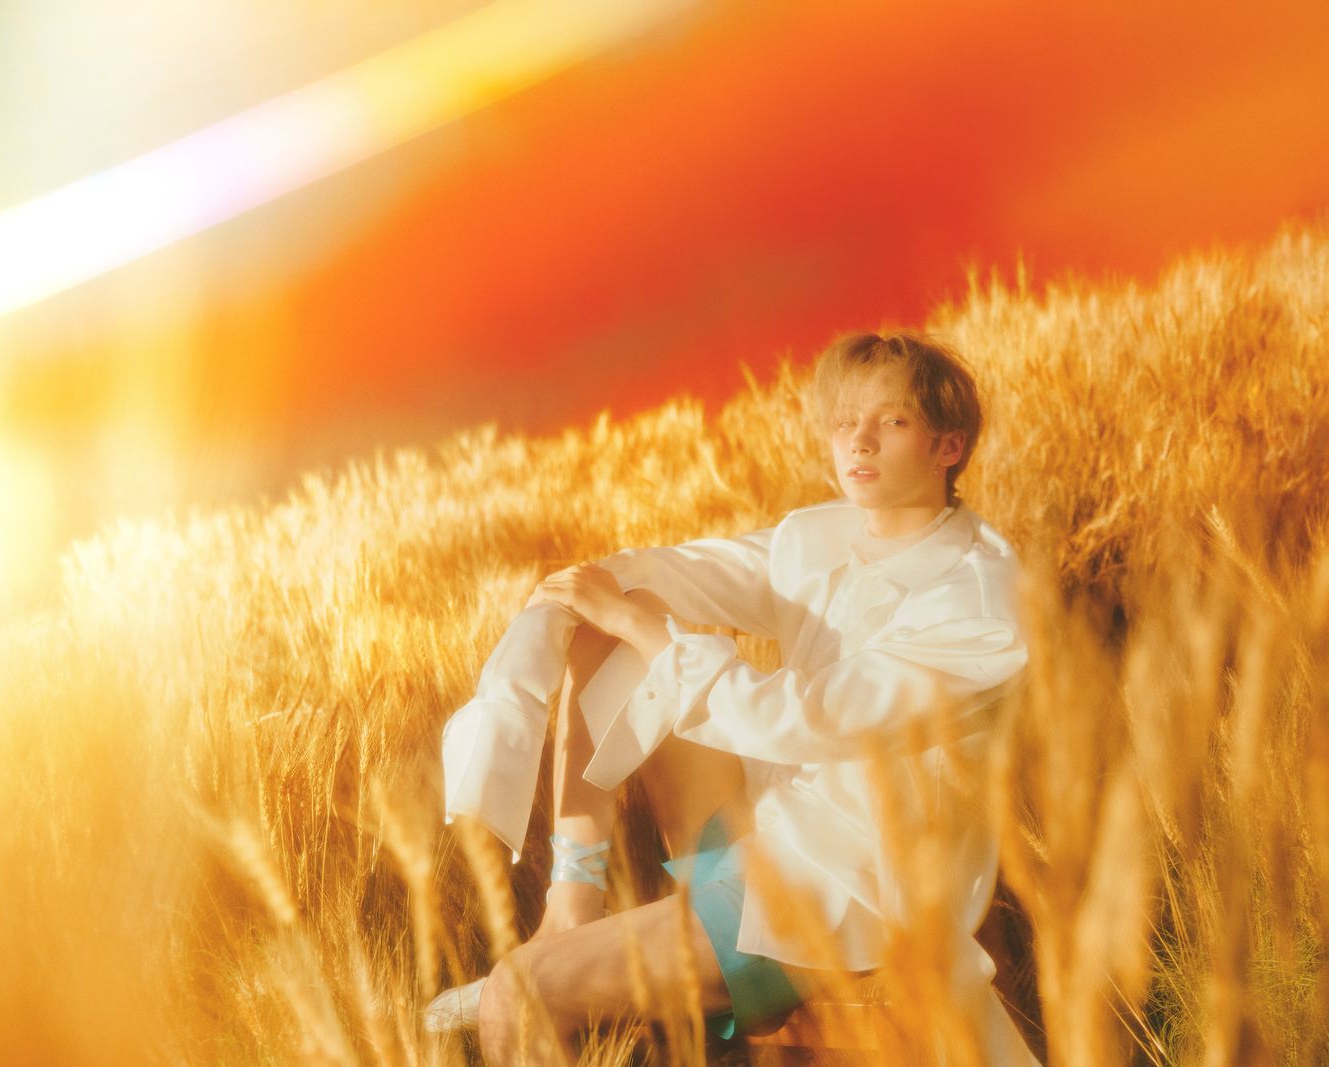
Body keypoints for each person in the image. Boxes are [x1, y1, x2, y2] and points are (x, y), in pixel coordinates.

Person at [427, 331, 1034, 1063]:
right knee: (610, 619)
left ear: (948, 446)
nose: (859, 441)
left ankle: (559, 977)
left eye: (892, 421)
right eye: (845, 422)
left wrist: (650, 629)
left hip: (838, 896)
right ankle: (570, 909)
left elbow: (807, 717)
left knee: (519, 993)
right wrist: (589, 595)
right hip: (766, 834)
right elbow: (687, 574)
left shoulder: (980, 604)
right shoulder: (826, 534)